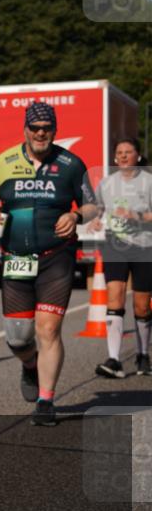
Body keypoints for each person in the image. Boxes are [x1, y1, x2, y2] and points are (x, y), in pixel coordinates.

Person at [0, 101, 98, 426]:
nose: (41, 133)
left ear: (55, 130)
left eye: (47, 128)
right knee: (17, 337)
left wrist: (74, 216)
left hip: (56, 256)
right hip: (16, 258)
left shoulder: (71, 163)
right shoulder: (2, 162)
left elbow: (93, 206)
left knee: (49, 329)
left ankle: (46, 401)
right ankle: (29, 364)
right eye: (35, 128)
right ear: (25, 130)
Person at [92, 137, 152, 378]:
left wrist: (134, 215)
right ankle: (114, 359)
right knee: (114, 297)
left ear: (138, 156)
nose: (124, 156)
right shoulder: (106, 184)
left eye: (129, 152)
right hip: (115, 246)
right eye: (120, 153)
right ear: (115, 158)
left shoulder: (149, 182)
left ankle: (143, 355)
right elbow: (99, 209)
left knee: (141, 304)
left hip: (144, 247)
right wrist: (96, 219)